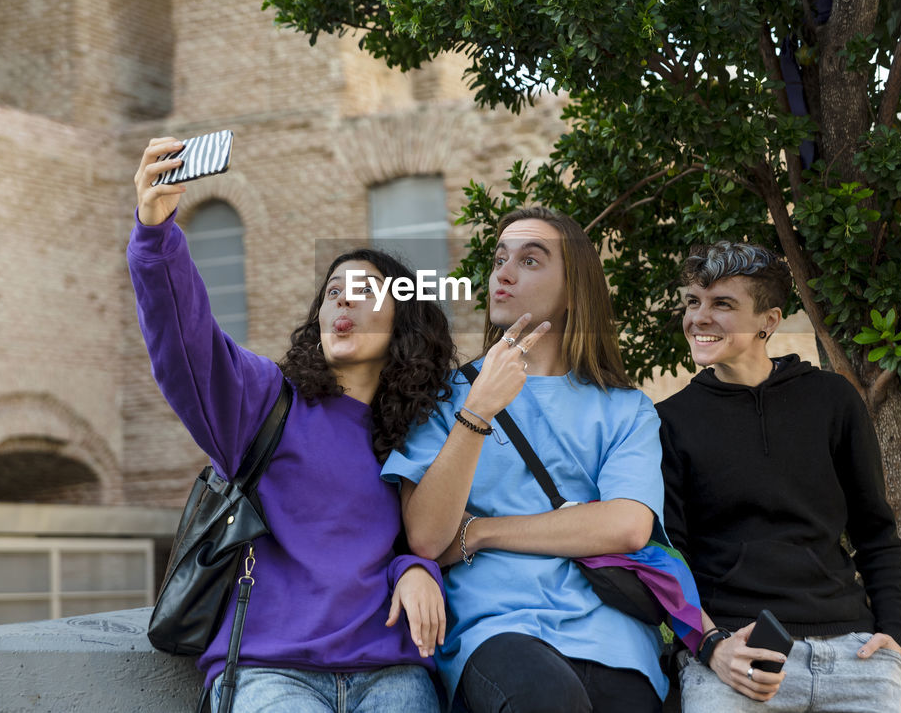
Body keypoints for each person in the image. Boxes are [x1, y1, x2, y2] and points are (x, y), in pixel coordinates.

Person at [129, 136, 454, 713]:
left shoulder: (424, 429)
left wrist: (416, 566)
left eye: (362, 293)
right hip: (270, 671)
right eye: (332, 293)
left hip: (392, 673)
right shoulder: (265, 400)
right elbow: (186, 346)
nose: (341, 305)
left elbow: (425, 535)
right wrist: (156, 237)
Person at [382, 207, 669, 713]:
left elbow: (626, 525)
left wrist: (483, 532)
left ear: (573, 288)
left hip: (615, 640)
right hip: (497, 628)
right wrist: (479, 410)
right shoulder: (444, 398)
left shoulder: (626, 408)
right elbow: (427, 537)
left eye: (530, 260)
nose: (503, 273)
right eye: (499, 259)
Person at [657, 240, 901, 712]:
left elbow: (876, 531)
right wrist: (710, 647)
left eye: (722, 304)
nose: (699, 318)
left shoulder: (832, 402)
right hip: (736, 658)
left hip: (853, 656)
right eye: (693, 302)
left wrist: (894, 634)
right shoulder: (670, 422)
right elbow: (669, 559)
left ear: (768, 322)